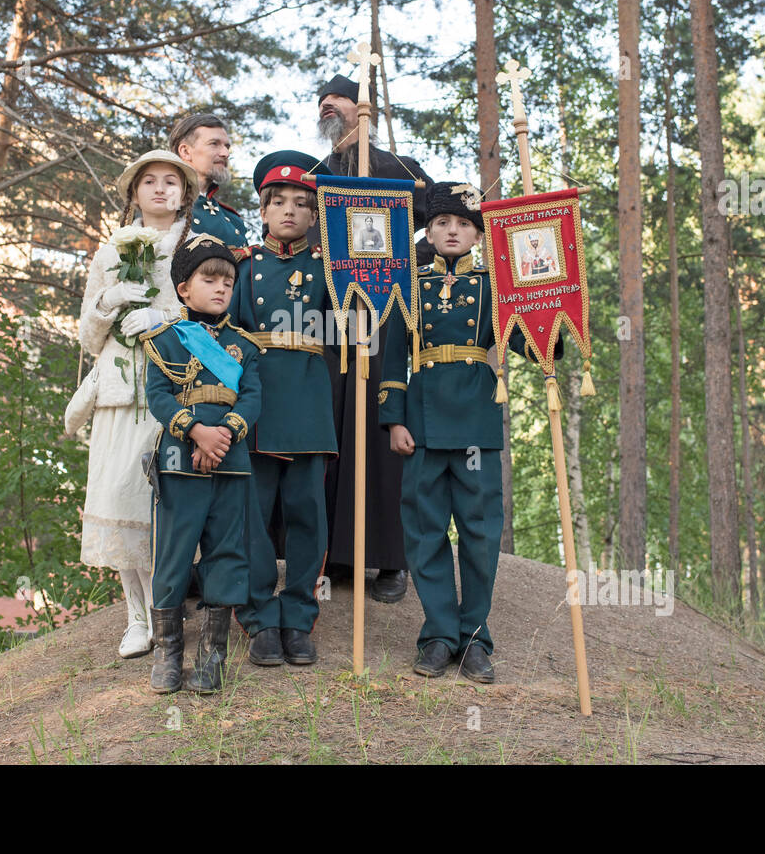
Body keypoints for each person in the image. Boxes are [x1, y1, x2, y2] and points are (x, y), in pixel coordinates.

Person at [378, 182, 561, 683]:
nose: (452, 230)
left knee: (480, 535)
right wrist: (394, 419)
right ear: (429, 231)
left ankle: (475, 637)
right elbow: (394, 357)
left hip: (478, 418)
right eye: (442, 223)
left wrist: (551, 322)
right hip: (421, 420)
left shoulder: (497, 286)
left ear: (479, 235)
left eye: (463, 224)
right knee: (425, 532)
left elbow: (528, 341)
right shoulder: (407, 285)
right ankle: (438, 635)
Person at [313, 73, 436, 603]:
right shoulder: (315, 174)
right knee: (332, 424)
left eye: (336, 100)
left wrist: (411, 265)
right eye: (322, 103)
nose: (328, 107)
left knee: (380, 419)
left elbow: (441, 222)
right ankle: (338, 554)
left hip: (384, 310)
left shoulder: (400, 169)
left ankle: (390, 559)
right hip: (328, 316)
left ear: (364, 109)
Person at [77, 149, 198, 659]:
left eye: (171, 181)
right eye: (149, 181)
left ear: (184, 192)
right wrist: (109, 301)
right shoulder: (109, 253)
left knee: (160, 500)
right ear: (133, 193)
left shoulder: (197, 247)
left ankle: (169, 610)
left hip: (169, 384)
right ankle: (136, 618)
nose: (160, 189)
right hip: (116, 390)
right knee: (117, 495)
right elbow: (87, 335)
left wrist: (163, 318)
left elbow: (213, 308)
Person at [140, 235, 263, 694]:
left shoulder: (245, 346)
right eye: (208, 279)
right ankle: (168, 652)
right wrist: (196, 431)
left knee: (227, 555)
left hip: (230, 461)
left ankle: (212, 655)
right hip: (177, 461)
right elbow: (157, 396)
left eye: (228, 282)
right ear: (182, 288)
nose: (220, 288)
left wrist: (221, 436)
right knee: (172, 556)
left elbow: (252, 397)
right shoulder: (165, 341)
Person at [231, 151, 337, 668]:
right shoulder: (243, 267)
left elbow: (354, 331)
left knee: (306, 517)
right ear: (264, 210)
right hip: (255, 405)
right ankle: (257, 618)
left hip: (309, 404)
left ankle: (298, 618)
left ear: (315, 216)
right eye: (279, 202)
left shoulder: (332, 270)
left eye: (302, 203)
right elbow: (221, 339)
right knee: (251, 517)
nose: (290, 211)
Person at [170, 113, 248, 246]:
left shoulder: (233, 219)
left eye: (227, 147)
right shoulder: (162, 203)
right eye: (214, 144)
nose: (225, 154)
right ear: (186, 152)